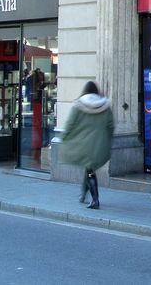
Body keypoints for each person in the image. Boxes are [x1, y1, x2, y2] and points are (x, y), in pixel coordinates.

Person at [61, 81, 114, 210]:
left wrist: (64, 137)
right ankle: (83, 194)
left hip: (82, 144)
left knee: (89, 170)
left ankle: (95, 200)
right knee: (89, 168)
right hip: (99, 145)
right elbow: (111, 126)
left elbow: (70, 124)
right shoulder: (105, 107)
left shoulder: (78, 107)